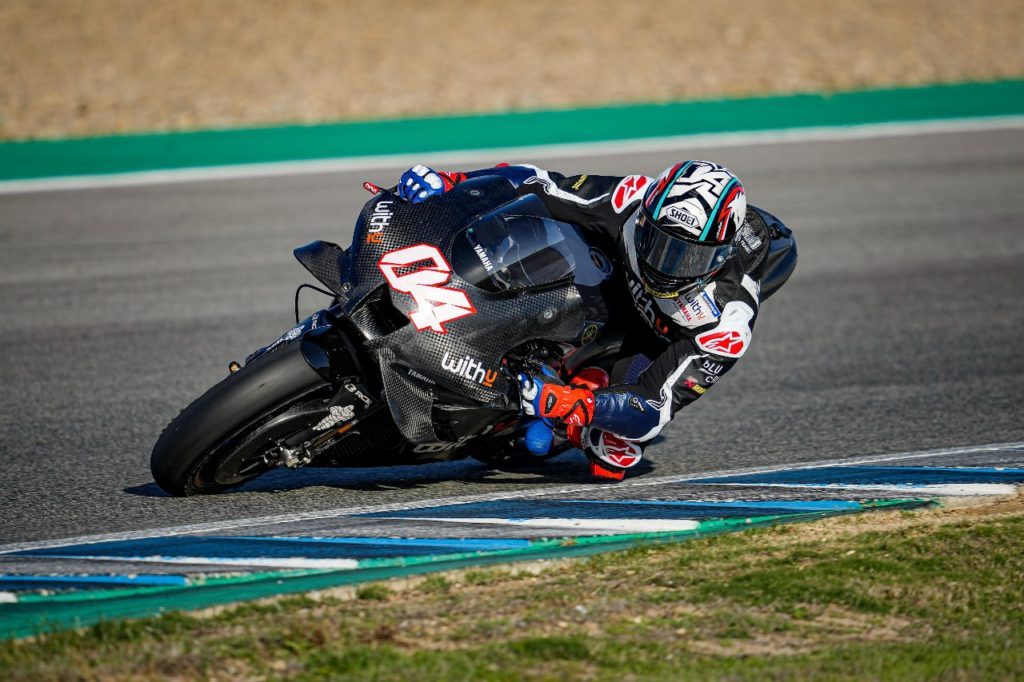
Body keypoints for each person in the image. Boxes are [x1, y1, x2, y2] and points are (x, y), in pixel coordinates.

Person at [394, 161, 796, 479]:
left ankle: (574, 399)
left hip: (655, 337)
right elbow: (538, 183)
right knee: (531, 234)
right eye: (658, 242)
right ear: (646, 217)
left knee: (614, 451)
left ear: (719, 257)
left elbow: (654, 407)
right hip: (610, 272)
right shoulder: (631, 199)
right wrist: (452, 182)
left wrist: (576, 403)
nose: (665, 264)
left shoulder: (726, 323)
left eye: (687, 257)